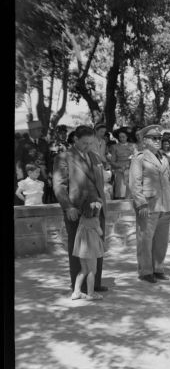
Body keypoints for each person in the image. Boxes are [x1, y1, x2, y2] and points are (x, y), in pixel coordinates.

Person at [53, 125, 108, 294]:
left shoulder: (94, 156)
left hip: (98, 209)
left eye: (91, 143)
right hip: (77, 210)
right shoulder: (63, 157)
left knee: (97, 247)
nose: (88, 146)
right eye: (85, 143)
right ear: (75, 139)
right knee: (78, 250)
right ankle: (80, 288)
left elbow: (100, 182)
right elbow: (59, 185)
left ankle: (95, 284)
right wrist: (68, 206)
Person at [129, 125, 170, 283]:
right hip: (148, 204)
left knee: (161, 240)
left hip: (164, 204)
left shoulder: (164, 157)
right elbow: (135, 182)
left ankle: (158, 268)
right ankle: (146, 271)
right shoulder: (139, 157)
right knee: (145, 239)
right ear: (145, 140)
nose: (157, 141)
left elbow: (169, 181)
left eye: (159, 139)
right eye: (154, 138)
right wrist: (140, 203)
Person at [71, 200, 104, 301]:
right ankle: (90, 293)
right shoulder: (95, 221)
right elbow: (100, 232)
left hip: (82, 250)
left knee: (83, 270)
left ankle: (76, 292)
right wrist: (98, 212)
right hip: (91, 250)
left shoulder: (82, 218)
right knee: (92, 271)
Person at [109, 128, 136, 199]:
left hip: (131, 169)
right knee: (120, 189)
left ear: (127, 137)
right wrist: (121, 167)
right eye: (120, 137)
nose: (122, 138)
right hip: (119, 170)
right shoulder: (114, 147)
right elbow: (112, 161)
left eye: (123, 137)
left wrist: (129, 166)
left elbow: (136, 159)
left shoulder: (133, 146)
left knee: (131, 190)